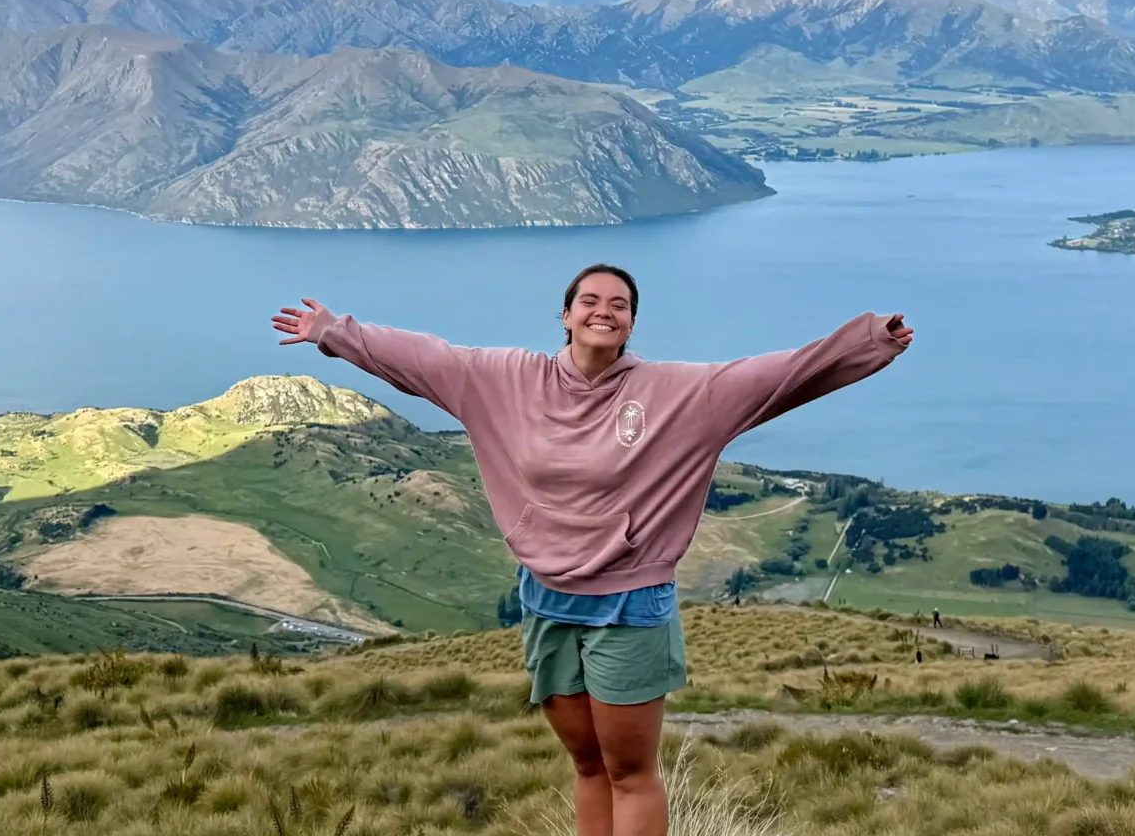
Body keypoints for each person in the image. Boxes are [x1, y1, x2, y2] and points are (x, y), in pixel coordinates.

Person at [273, 264, 911, 836]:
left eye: (620, 304)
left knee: (630, 773)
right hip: (546, 599)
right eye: (590, 300)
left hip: (630, 603)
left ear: (633, 322)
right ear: (567, 313)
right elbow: (422, 358)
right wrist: (333, 331)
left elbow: (777, 376)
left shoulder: (675, 393)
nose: (604, 310)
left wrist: (869, 340)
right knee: (586, 764)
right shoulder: (505, 380)